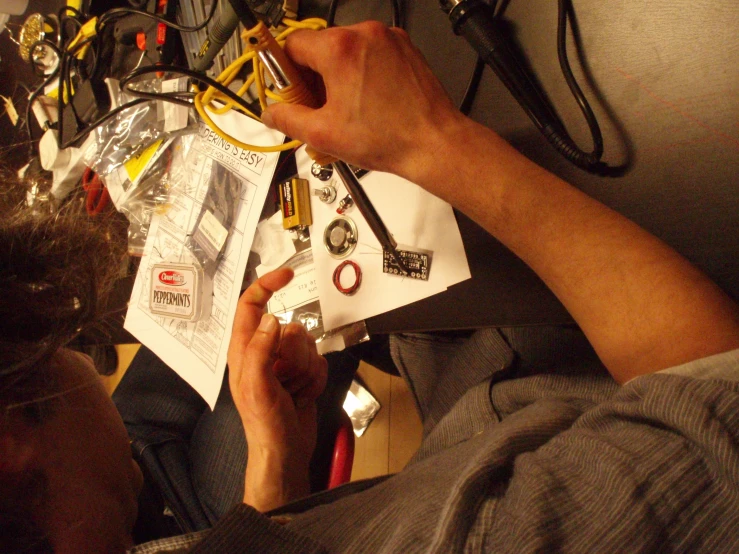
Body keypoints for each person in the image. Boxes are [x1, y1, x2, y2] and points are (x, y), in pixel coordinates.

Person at [1, 20, 738, 553]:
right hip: (599, 376)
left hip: (471, 403)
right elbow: (717, 395)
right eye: (47, 341)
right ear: (12, 445)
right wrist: (434, 141)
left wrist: (271, 486)